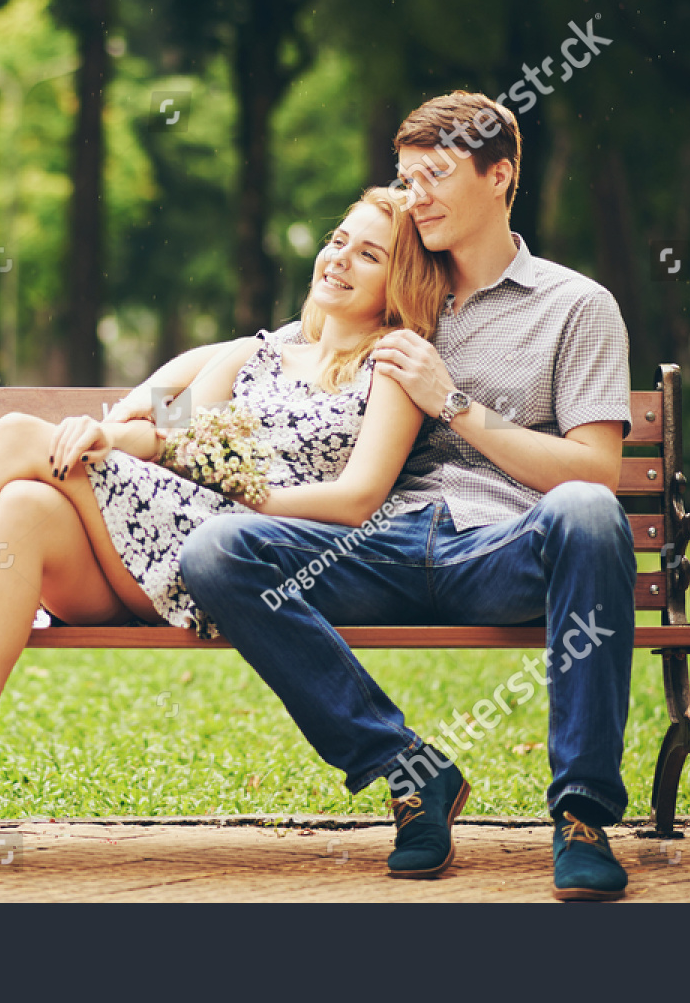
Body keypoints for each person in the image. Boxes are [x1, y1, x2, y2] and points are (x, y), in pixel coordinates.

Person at [0, 186, 449, 881]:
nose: (339, 259)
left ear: (399, 281)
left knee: (18, 436)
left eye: (369, 254)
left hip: (231, 560)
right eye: (336, 241)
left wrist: (251, 492)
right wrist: (110, 430)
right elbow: (161, 428)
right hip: (135, 560)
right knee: (18, 506)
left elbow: (359, 499)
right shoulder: (252, 357)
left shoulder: (393, 365)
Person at [164, 91, 637, 901]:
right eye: (405, 177)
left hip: (503, 549)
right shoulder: (394, 291)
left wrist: (456, 404)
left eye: (435, 176)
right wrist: (130, 416)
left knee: (589, 512)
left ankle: (582, 814)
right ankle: (410, 768)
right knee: (216, 551)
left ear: (501, 177)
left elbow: (594, 473)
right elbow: (262, 352)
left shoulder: (576, 307)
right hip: (375, 543)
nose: (414, 195)